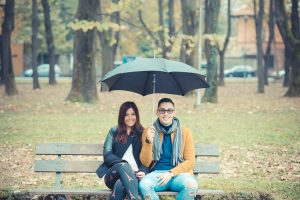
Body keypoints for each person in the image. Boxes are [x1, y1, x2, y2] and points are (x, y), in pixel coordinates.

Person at [138, 98, 198, 200]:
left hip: (179, 174)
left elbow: (190, 162)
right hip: (157, 175)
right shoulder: (149, 131)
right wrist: (148, 142)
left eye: (169, 110)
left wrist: (170, 173)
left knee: (192, 185)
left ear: (174, 112)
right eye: (162, 110)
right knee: (144, 185)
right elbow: (145, 163)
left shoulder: (185, 132)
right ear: (157, 112)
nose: (166, 114)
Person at [96, 101, 148, 200]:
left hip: (135, 177)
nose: (130, 118)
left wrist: (144, 171)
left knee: (120, 185)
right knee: (123, 165)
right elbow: (107, 155)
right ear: (121, 116)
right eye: (126, 115)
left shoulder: (142, 133)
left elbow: (147, 158)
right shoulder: (114, 131)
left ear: (137, 115)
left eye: (133, 114)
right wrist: (126, 165)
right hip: (113, 175)